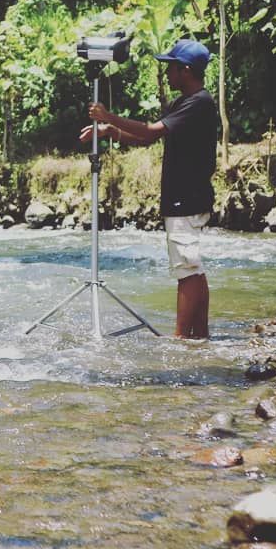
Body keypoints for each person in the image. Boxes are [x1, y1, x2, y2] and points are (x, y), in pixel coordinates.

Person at [80, 38, 218, 339]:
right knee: (192, 267)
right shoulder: (185, 102)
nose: (167, 72)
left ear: (185, 70)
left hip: (187, 197)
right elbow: (147, 138)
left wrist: (107, 116)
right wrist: (111, 131)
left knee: (187, 269)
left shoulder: (199, 102)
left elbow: (150, 130)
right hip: (186, 196)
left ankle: (182, 338)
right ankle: (200, 336)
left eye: (171, 66)